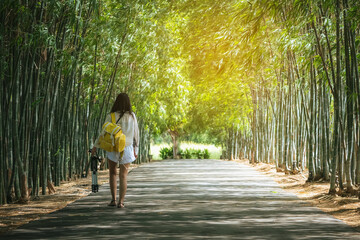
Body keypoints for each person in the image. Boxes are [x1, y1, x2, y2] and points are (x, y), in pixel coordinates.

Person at [91, 93, 139, 208]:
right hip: (126, 148)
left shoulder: (111, 115)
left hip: (113, 147)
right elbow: (136, 134)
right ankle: (121, 202)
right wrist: (135, 150)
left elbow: (103, 133)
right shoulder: (132, 116)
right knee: (123, 175)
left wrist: (95, 146)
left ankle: (113, 199)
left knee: (112, 173)